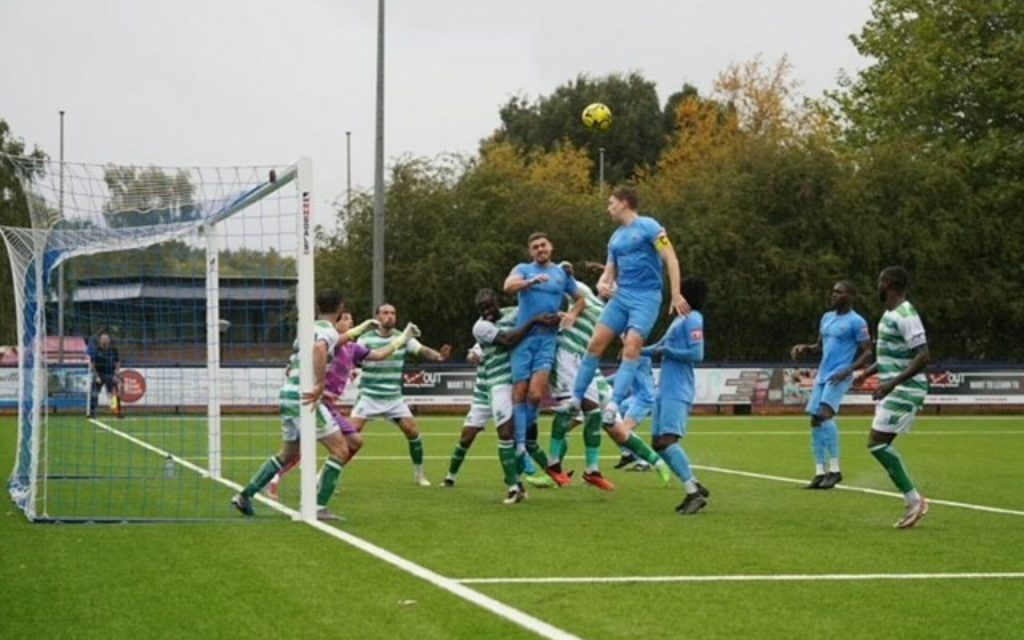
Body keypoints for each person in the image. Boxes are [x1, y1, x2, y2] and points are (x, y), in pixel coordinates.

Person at [232, 290, 408, 520]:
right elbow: (320, 349)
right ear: (340, 307)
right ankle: (319, 507)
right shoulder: (327, 331)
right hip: (304, 398)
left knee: (288, 453)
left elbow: (323, 345)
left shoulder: (307, 328)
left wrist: (364, 330)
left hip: (287, 395)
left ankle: (245, 496)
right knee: (340, 450)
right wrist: (319, 384)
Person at [266, 312, 420, 509]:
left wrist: (403, 338)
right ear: (335, 325)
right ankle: (274, 481)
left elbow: (380, 355)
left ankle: (321, 479)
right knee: (296, 452)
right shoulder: (329, 344)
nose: (350, 322)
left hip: (331, 408)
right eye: (345, 319)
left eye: (352, 320)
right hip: (315, 403)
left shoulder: (354, 348)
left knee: (355, 441)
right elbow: (302, 362)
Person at [570, 187, 690, 424]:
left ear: (624, 203)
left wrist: (676, 293)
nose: (609, 207)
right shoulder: (615, 238)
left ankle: (613, 405)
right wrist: (602, 285)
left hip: (646, 298)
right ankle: (575, 399)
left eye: (611, 202)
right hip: (622, 297)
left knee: (632, 346)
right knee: (595, 344)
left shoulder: (650, 227)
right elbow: (608, 273)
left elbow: (671, 258)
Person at [445, 293, 559, 503]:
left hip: (519, 380)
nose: (486, 312)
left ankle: (534, 479)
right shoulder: (480, 327)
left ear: (497, 303)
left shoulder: (513, 313)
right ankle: (514, 485)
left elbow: (535, 314)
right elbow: (508, 340)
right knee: (503, 434)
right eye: (482, 309)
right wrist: (534, 321)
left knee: (519, 436)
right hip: (498, 384)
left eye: (489, 307)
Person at [503, 233, 583, 488]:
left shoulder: (561, 274)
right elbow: (507, 286)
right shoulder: (523, 269)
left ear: (551, 247)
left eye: (543, 245)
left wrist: (572, 313)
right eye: (535, 247)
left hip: (547, 340)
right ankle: (521, 450)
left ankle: (525, 442)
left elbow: (580, 298)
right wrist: (529, 282)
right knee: (520, 392)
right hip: (524, 338)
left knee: (536, 395)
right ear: (530, 251)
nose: (540, 249)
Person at [854, 266, 931, 529]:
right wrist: (867, 373)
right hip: (897, 387)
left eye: (879, 282)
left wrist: (891, 384)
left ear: (888, 284)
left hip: (906, 389)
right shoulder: (888, 315)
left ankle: (915, 501)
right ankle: (913, 500)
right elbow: (891, 356)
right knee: (877, 443)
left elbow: (923, 355)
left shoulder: (906, 314)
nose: (877, 286)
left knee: (877, 443)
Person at [350, 303, 452, 487]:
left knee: (413, 433)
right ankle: (327, 475)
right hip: (369, 396)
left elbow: (422, 350)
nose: (390, 316)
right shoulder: (365, 339)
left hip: (393, 398)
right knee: (348, 436)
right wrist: (352, 370)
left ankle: (420, 475)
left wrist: (438, 356)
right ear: (377, 316)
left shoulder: (403, 337)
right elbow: (354, 359)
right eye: (385, 313)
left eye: (393, 313)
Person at [790, 282, 873, 489]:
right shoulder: (827, 318)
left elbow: (867, 351)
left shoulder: (857, 321)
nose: (834, 295)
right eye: (833, 291)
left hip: (839, 375)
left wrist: (849, 369)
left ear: (851, 295)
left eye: (839, 292)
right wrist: (805, 349)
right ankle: (820, 472)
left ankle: (835, 470)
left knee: (825, 414)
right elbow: (820, 346)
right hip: (822, 375)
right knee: (815, 420)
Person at [643, 277, 711, 515]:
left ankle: (692, 491)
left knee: (668, 440)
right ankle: (693, 484)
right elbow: (659, 346)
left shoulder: (694, 319)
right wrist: (636, 350)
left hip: (678, 388)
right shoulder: (679, 319)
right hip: (664, 389)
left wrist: (665, 351)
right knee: (658, 443)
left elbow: (697, 353)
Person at [547, 261, 615, 490]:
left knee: (594, 414)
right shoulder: (583, 290)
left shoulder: (612, 314)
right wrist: (567, 269)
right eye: (607, 284)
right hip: (565, 354)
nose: (610, 288)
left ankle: (592, 470)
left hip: (583, 362)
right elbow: (562, 270)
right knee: (573, 407)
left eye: (614, 287)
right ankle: (553, 464)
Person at [87, 331, 121, 419]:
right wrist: (96, 375)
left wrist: (116, 374)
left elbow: (117, 363)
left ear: (109, 340)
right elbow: (92, 364)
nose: (104, 341)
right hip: (99, 375)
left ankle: (117, 411)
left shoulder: (114, 350)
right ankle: (93, 412)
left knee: (114, 393)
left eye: (106, 339)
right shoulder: (96, 350)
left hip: (110, 374)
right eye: (102, 339)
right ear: (100, 341)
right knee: (94, 393)